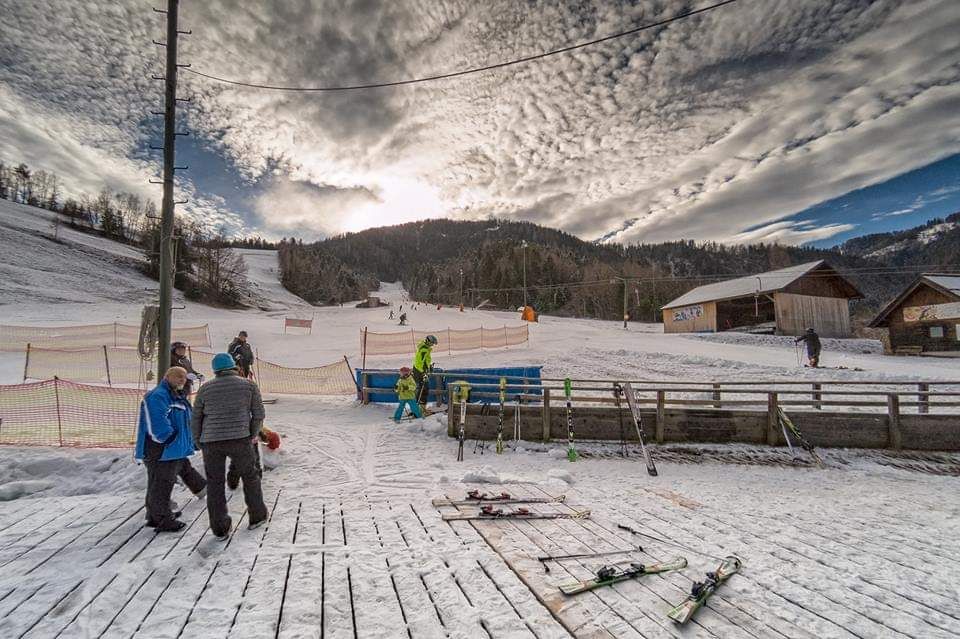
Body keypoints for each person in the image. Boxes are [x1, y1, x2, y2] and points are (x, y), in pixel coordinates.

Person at [191, 352, 268, 539]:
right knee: (250, 477)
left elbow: (196, 417)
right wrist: (251, 433)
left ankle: (220, 527)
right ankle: (257, 516)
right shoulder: (248, 385)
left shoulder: (206, 389)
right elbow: (258, 413)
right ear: (233, 366)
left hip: (211, 441)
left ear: (215, 370)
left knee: (215, 484)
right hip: (239, 438)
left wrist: (198, 439)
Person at [135, 366, 206, 532]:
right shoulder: (158, 396)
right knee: (162, 484)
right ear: (167, 377)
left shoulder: (176, 395)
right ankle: (163, 519)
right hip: (160, 448)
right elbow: (157, 422)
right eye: (178, 376)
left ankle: (155, 515)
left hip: (172, 449)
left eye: (184, 377)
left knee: (159, 482)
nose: (182, 380)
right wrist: (168, 438)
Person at [412, 334, 438, 410]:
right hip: (419, 372)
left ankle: (420, 407)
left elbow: (424, 361)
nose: (432, 345)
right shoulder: (424, 350)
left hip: (419, 370)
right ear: (428, 341)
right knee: (423, 389)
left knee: (422, 389)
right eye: (432, 343)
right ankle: (420, 408)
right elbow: (420, 362)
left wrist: (429, 366)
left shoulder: (425, 348)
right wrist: (423, 372)